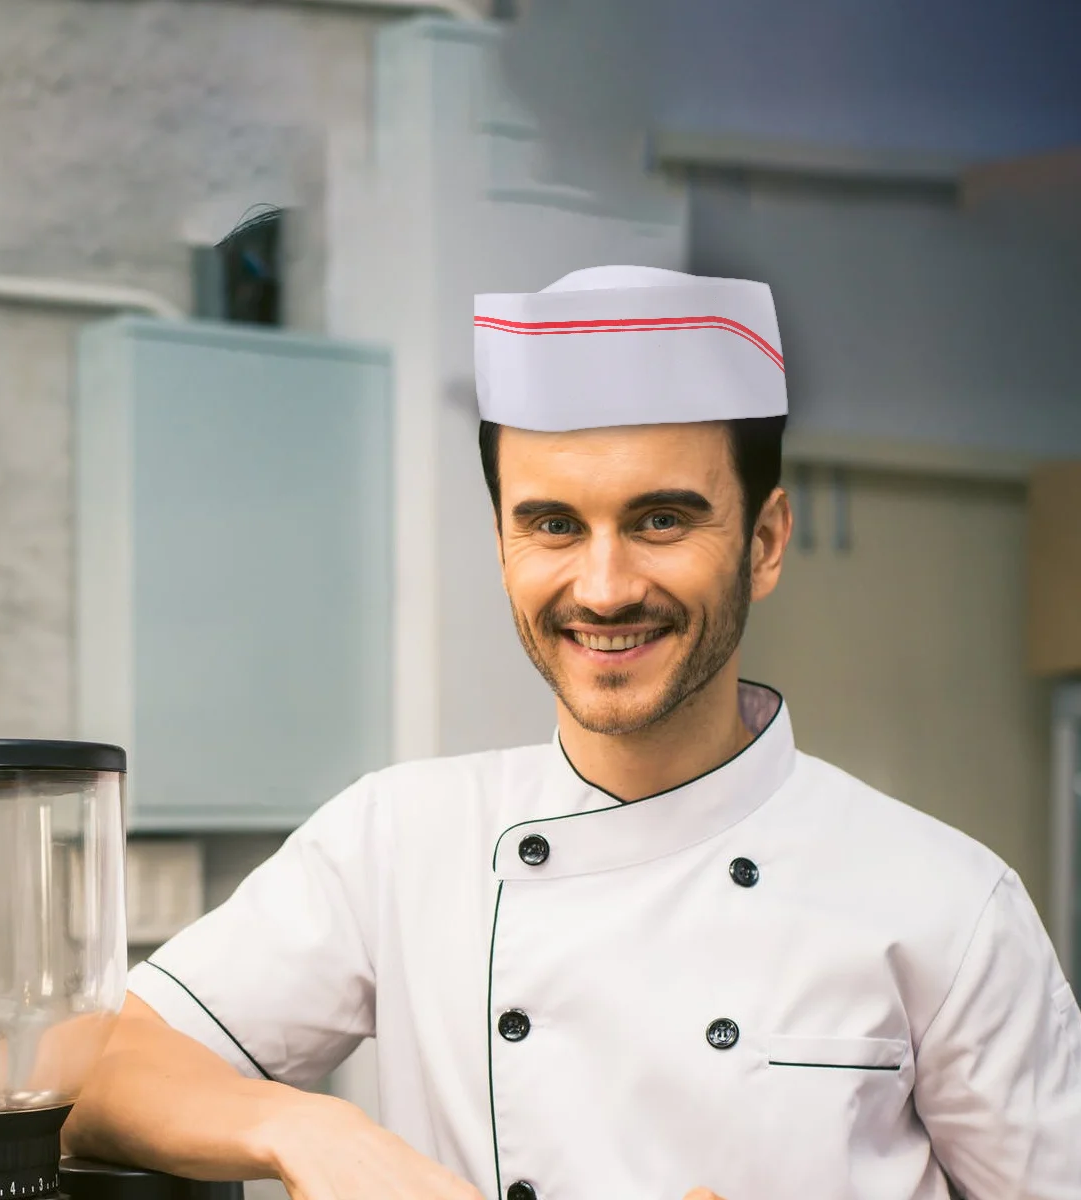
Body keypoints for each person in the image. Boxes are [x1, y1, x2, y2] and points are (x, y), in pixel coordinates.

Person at [66, 266, 1081, 1200]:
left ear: (766, 543)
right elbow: (95, 1071)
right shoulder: (401, 839)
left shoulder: (951, 904)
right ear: (503, 541)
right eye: (554, 525)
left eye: (661, 521)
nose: (603, 588)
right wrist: (316, 1131)